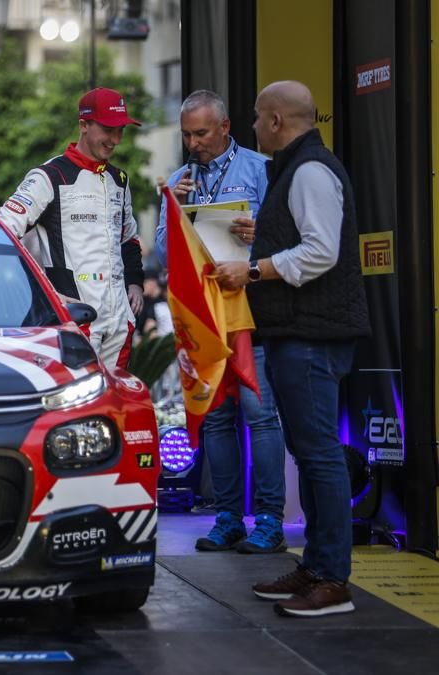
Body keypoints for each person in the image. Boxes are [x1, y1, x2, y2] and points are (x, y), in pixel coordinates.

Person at [215, 81, 370, 617]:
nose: (254, 127)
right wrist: (263, 231)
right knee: (311, 454)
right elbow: (307, 236)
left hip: (311, 334)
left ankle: (332, 579)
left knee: (321, 456)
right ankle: (316, 567)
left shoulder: (309, 170)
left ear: (277, 120)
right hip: (299, 332)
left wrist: (253, 268)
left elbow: (321, 251)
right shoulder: (301, 171)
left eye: (258, 118)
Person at [154, 90, 289, 554]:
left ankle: (269, 518)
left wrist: (260, 234)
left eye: (202, 133)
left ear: (225, 127)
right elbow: (160, 254)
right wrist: (174, 207)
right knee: (215, 421)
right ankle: (228, 515)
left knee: (260, 416)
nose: (193, 143)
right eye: (187, 135)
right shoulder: (178, 178)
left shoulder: (258, 169)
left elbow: (285, 237)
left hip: (250, 314)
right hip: (203, 320)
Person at [0, 87, 144, 368]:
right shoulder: (49, 176)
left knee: (113, 403)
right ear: (84, 125)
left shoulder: (120, 180)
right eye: (107, 129)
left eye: (120, 130)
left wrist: (135, 282)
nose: (115, 140)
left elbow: (129, 238)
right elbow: (2, 232)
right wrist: (44, 291)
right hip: (74, 319)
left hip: (119, 320)